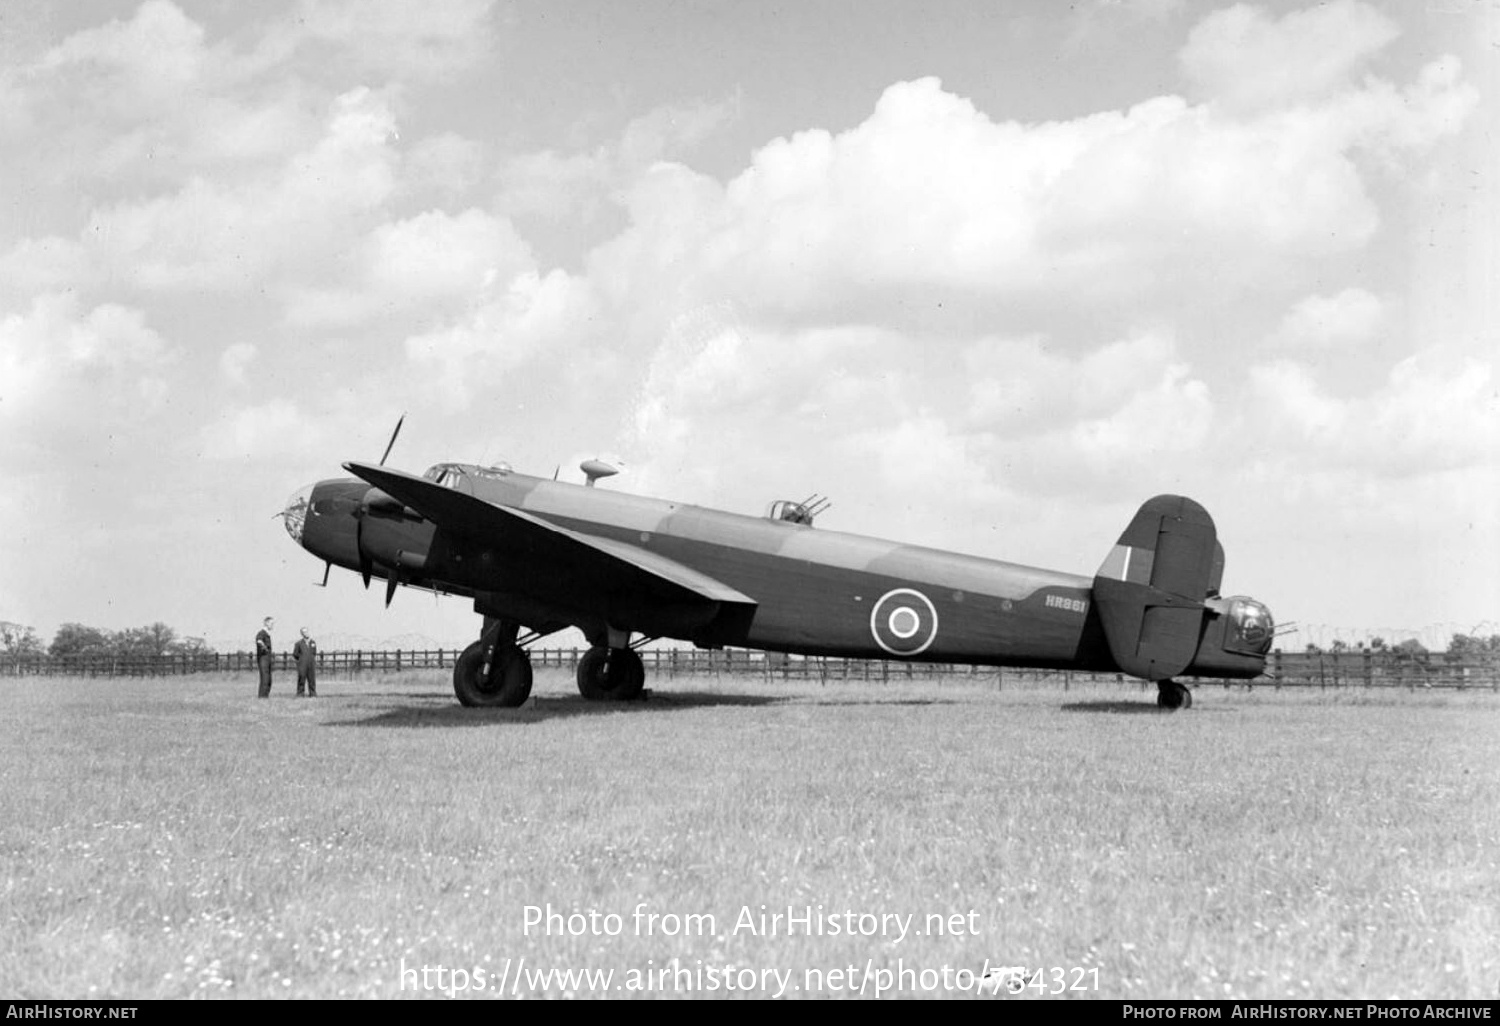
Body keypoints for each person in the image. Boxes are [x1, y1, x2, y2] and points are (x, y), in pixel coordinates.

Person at [293, 627, 318, 697]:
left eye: (307, 631)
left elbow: (314, 652)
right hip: (302, 664)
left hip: (311, 664)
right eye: (304, 632)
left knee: (312, 679)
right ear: (302, 634)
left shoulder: (313, 642)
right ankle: (300, 693)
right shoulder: (298, 643)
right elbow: (295, 654)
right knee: (301, 678)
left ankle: (312, 693)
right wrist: (301, 660)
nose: (306, 633)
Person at [255, 616, 274, 698]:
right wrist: (264, 647)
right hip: (263, 658)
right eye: (271, 623)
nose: (272, 626)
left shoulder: (267, 634)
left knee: (269, 678)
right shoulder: (262, 633)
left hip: (268, 658)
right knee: (265, 677)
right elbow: (259, 641)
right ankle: (262, 696)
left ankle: (266, 695)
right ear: (266, 623)